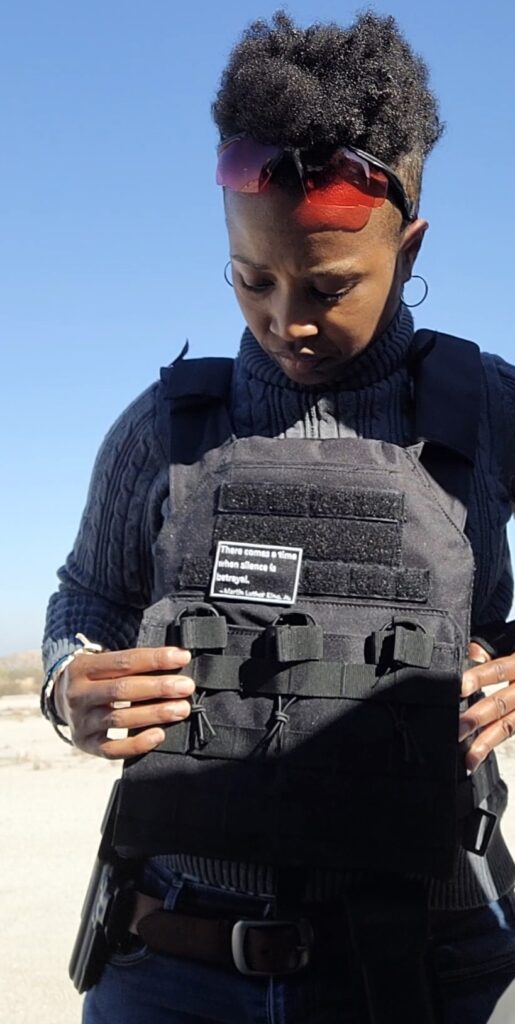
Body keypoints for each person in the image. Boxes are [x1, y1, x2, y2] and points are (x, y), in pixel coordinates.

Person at [42, 10, 515, 1024]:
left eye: (329, 285)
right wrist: (63, 684)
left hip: (423, 967)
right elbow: (86, 599)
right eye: (251, 279)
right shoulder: (165, 424)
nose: (285, 319)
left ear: (410, 241)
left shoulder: (487, 408)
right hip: (168, 960)